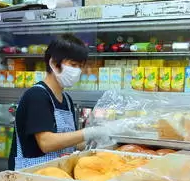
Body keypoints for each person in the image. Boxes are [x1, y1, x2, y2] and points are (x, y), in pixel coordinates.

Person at [8, 34, 114, 171]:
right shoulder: (36, 96)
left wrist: (103, 139)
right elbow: (46, 143)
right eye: (73, 65)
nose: (77, 71)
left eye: (80, 66)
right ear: (54, 64)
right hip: (31, 174)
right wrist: (88, 132)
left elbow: (71, 144)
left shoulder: (67, 100)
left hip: (57, 172)